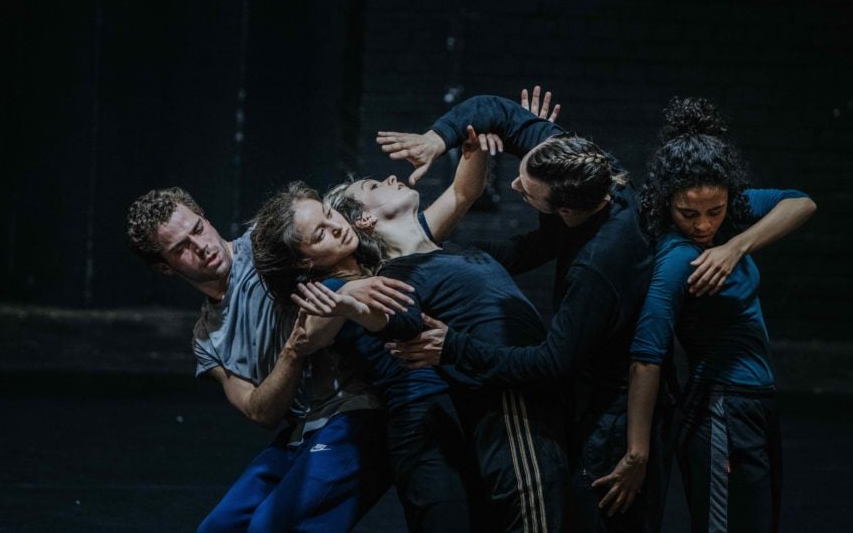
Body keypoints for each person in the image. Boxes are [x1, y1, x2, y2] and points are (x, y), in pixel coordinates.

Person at [376, 92, 675, 532]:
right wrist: (437, 140)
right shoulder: (586, 164)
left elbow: (551, 361)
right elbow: (496, 110)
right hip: (580, 389)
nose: (516, 186)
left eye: (527, 193)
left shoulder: (597, 267)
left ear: (566, 211)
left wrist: (453, 345)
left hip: (614, 411)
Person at [251, 124, 570, 533]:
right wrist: (351, 299)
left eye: (331, 217)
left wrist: (483, 137)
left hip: (460, 407)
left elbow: (459, 195)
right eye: (321, 234)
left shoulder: (394, 260)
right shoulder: (327, 290)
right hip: (419, 424)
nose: (336, 227)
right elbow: (328, 327)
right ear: (307, 261)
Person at [124, 187, 412, 532]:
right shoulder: (206, 339)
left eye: (197, 229)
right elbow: (260, 412)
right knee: (216, 529)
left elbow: (335, 232)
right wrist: (293, 351)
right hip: (302, 429)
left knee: (269, 526)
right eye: (181, 248)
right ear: (165, 267)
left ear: (206, 219)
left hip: (355, 409)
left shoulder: (269, 249)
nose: (200, 247)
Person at [620, 96, 816, 532]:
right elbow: (646, 355)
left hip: (756, 403)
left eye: (716, 211)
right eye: (689, 213)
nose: (704, 224)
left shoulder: (730, 224)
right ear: (667, 203)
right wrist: (638, 453)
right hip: (720, 407)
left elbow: (802, 203)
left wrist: (736, 245)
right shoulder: (678, 259)